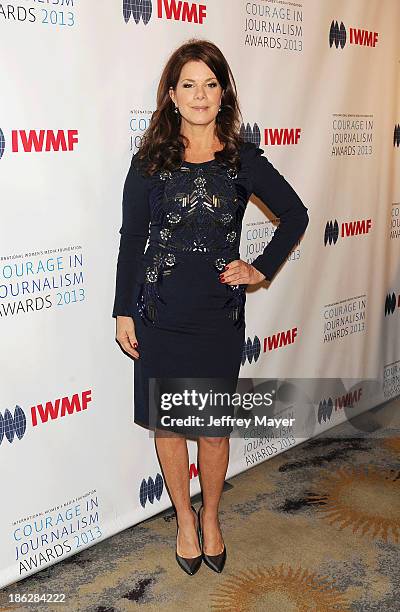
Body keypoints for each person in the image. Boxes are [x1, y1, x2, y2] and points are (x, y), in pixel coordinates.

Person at [112, 39, 309, 576]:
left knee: (214, 427)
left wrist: (260, 269)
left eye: (210, 84)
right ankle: (183, 519)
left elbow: (295, 214)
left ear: (224, 93)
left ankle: (213, 517)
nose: (200, 95)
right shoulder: (151, 158)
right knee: (171, 426)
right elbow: (133, 239)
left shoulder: (242, 157)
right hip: (159, 310)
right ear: (172, 96)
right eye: (188, 85)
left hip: (218, 314)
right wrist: (123, 310)